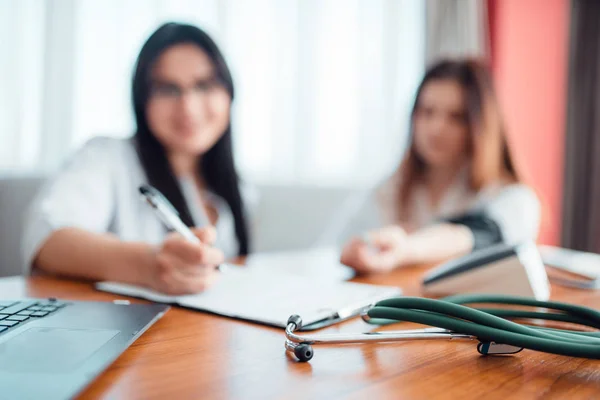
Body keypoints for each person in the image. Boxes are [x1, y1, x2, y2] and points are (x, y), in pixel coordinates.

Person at [22, 22, 253, 294]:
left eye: (204, 85)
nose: (188, 107)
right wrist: (150, 265)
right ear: (142, 100)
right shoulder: (105, 157)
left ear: (229, 93)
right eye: (168, 89)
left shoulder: (238, 188)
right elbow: (47, 242)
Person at [337, 59, 541, 274]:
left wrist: (406, 248)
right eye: (427, 112)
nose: (436, 129)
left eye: (456, 117)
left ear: (479, 126)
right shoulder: (391, 188)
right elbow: (340, 244)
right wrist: (360, 249)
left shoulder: (514, 198)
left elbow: (481, 233)